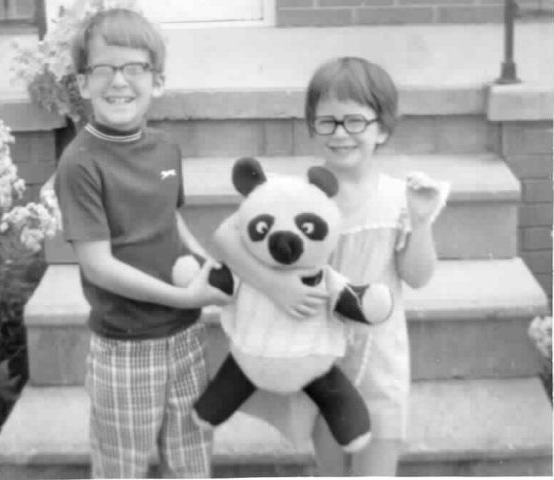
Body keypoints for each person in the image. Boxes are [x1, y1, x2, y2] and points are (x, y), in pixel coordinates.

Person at [212, 56, 449, 476]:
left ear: (383, 129)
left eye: (355, 121)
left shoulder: (399, 197)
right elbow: (226, 238)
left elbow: (418, 276)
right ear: (312, 127)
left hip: (380, 361)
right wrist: (274, 285)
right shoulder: (296, 198)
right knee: (331, 467)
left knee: (376, 467)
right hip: (318, 359)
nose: (341, 134)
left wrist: (421, 220)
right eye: (327, 122)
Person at [54, 8, 230, 478]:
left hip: (188, 337)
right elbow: (99, 267)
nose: (119, 81)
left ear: (157, 81)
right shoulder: (80, 164)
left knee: (193, 455)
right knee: (121, 466)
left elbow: (171, 218)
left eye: (135, 68)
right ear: (83, 83)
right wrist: (184, 296)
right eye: (104, 69)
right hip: (126, 348)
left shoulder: (165, 147)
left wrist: (206, 262)